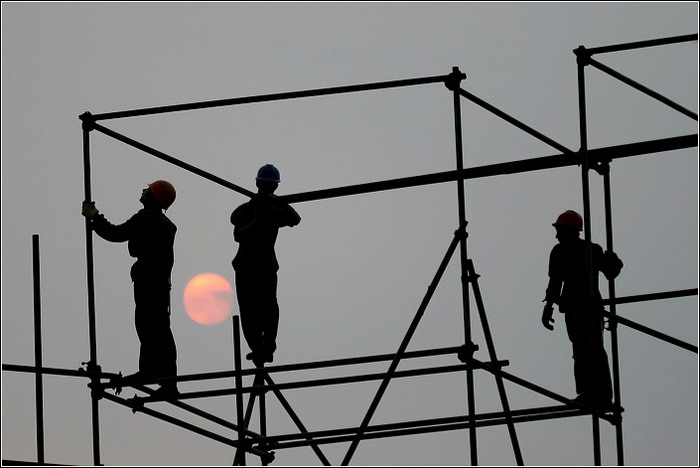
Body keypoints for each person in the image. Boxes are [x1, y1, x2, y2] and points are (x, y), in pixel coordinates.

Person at [82, 180, 179, 398]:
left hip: (149, 277)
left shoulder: (145, 217)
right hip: (160, 280)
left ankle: (153, 373)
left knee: (148, 324)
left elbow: (115, 233)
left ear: (154, 197)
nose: (143, 190)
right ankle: (163, 375)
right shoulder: (166, 224)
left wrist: (95, 216)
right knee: (158, 326)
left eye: (148, 190)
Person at [541, 210, 623, 411]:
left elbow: (555, 283)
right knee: (594, 350)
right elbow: (611, 273)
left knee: (582, 352)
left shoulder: (560, 251)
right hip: (591, 308)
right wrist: (615, 261)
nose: (556, 234)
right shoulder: (591, 249)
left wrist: (548, 307)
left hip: (577, 308)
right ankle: (602, 397)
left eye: (559, 229)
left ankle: (589, 394)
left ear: (567, 230)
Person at [231, 164, 301, 366]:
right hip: (246, 265)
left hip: (265, 266)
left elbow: (295, 218)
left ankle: (267, 347)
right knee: (249, 309)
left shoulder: (274, 210)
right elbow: (237, 231)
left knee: (268, 307)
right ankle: (258, 348)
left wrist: (275, 202)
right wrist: (257, 213)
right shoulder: (248, 209)